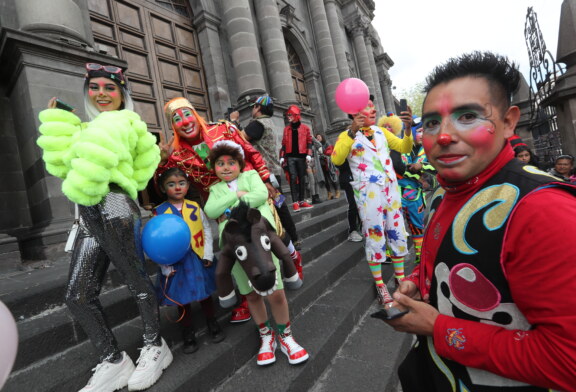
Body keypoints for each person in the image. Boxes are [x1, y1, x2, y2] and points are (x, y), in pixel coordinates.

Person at [383, 52, 576, 392]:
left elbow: (567, 361)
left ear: (508, 122)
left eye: (467, 116)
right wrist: (417, 280)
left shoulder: (543, 211)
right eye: (430, 123)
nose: (443, 137)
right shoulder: (444, 192)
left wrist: (438, 328)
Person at [37, 63, 172, 392]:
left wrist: (78, 134)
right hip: (86, 209)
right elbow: (63, 167)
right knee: (78, 295)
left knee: (135, 279)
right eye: (94, 87)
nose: (101, 94)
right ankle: (112, 359)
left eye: (109, 88)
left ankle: (155, 346)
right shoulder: (87, 129)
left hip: (112, 202)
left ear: (121, 93)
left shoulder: (124, 121)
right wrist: (62, 125)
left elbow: (128, 161)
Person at [156, 96, 273, 323]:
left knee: (265, 238)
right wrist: (161, 161)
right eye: (176, 119)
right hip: (219, 206)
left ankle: (283, 268)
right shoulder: (177, 155)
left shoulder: (224, 129)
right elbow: (164, 182)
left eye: (187, 114)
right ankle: (246, 301)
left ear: (196, 115)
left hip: (248, 192)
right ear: (173, 125)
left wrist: (266, 179)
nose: (185, 122)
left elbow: (250, 152)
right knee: (235, 250)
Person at [204, 141, 309, 366]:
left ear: (240, 164)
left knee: (276, 291)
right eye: (220, 163)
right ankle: (265, 334)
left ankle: (285, 335)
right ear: (214, 167)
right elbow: (211, 210)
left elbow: (261, 194)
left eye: (231, 163)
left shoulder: (250, 176)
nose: (226, 167)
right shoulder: (214, 189)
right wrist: (240, 197)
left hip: (261, 244)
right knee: (250, 294)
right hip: (237, 250)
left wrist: (230, 207)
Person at [331, 95, 413, 307]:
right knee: (375, 235)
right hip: (369, 194)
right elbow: (336, 159)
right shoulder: (345, 136)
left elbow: (404, 147)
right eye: (367, 106)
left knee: (397, 232)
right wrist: (351, 132)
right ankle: (380, 285)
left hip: (391, 190)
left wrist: (408, 129)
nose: (373, 109)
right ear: (354, 113)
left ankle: (400, 278)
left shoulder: (381, 131)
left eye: (372, 105)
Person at [153, 168, 225, 354]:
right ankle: (188, 333)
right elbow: (156, 241)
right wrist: (165, 267)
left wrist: (208, 253)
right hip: (177, 262)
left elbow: (206, 229)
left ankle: (212, 322)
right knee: (181, 298)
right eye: (171, 184)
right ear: (163, 188)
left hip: (198, 257)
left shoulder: (194, 206)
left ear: (187, 186)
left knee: (205, 293)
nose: (177, 187)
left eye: (181, 183)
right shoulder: (159, 212)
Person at [232, 95, 304, 275]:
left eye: (254, 107)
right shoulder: (270, 123)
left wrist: (232, 122)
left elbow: (240, 140)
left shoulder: (258, 124)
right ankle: (293, 239)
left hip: (263, 175)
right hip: (273, 175)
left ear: (258, 108)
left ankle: (281, 246)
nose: (252, 110)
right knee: (281, 207)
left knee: (273, 211)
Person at [388, 119, 436, 266]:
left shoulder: (429, 150)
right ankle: (395, 259)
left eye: (424, 131)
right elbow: (398, 167)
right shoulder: (399, 146)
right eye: (419, 131)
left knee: (417, 226)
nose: (422, 134)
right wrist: (418, 176)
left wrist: (422, 166)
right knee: (394, 226)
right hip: (395, 194)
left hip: (415, 196)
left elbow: (437, 169)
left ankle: (419, 256)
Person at [280, 105, 314, 212]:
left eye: (290, 115)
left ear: (296, 115)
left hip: (302, 157)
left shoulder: (305, 128)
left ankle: (301, 200)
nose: (288, 117)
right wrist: (282, 156)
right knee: (293, 178)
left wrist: (309, 154)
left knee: (302, 178)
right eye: (287, 115)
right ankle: (295, 202)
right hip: (290, 157)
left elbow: (309, 142)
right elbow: (284, 144)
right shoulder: (286, 129)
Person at [315, 134, 341, 200]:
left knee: (332, 177)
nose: (318, 138)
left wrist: (323, 154)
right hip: (321, 164)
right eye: (317, 137)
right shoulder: (316, 145)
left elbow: (330, 150)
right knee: (325, 179)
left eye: (319, 137)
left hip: (328, 163)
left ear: (322, 137)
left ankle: (337, 191)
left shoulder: (326, 143)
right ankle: (329, 193)